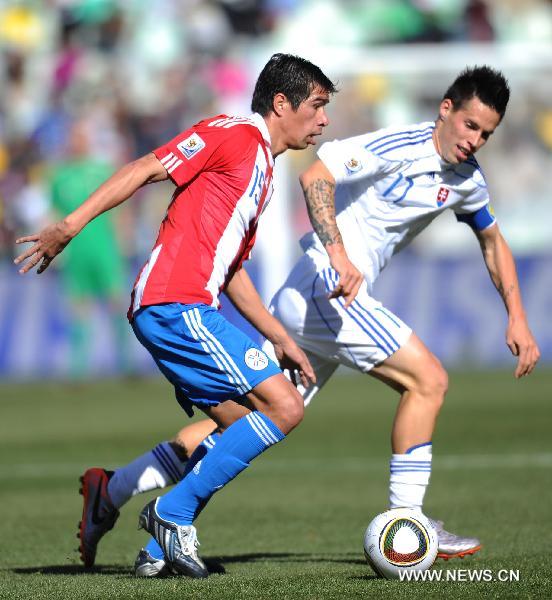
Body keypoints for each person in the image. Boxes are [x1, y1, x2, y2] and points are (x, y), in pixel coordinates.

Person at [69, 65, 541, 576]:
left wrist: (517, 316)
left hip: (311, 301)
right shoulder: (399, 145)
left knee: (246, 421)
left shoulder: (467, 180)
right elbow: (319, 175)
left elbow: (492, 240)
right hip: (328, 288)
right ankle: (408, 523)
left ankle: (118, 497)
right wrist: (338, 254)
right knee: (428, 380)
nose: (475, 141)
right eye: (470, 125)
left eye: (486, 134)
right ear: (446, 109)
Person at [14, 53, 341, 578]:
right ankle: (171, 513)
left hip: (189, 306)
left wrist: (281, 338)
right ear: (281, 103)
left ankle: (130, 513)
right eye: (317, 106)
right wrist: (69, 225)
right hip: (173, 303)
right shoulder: (233, 133)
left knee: (237, 430)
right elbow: (146, 167)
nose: (324, 119)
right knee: (285, 407)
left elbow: (232, 272)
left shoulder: (262, 171)